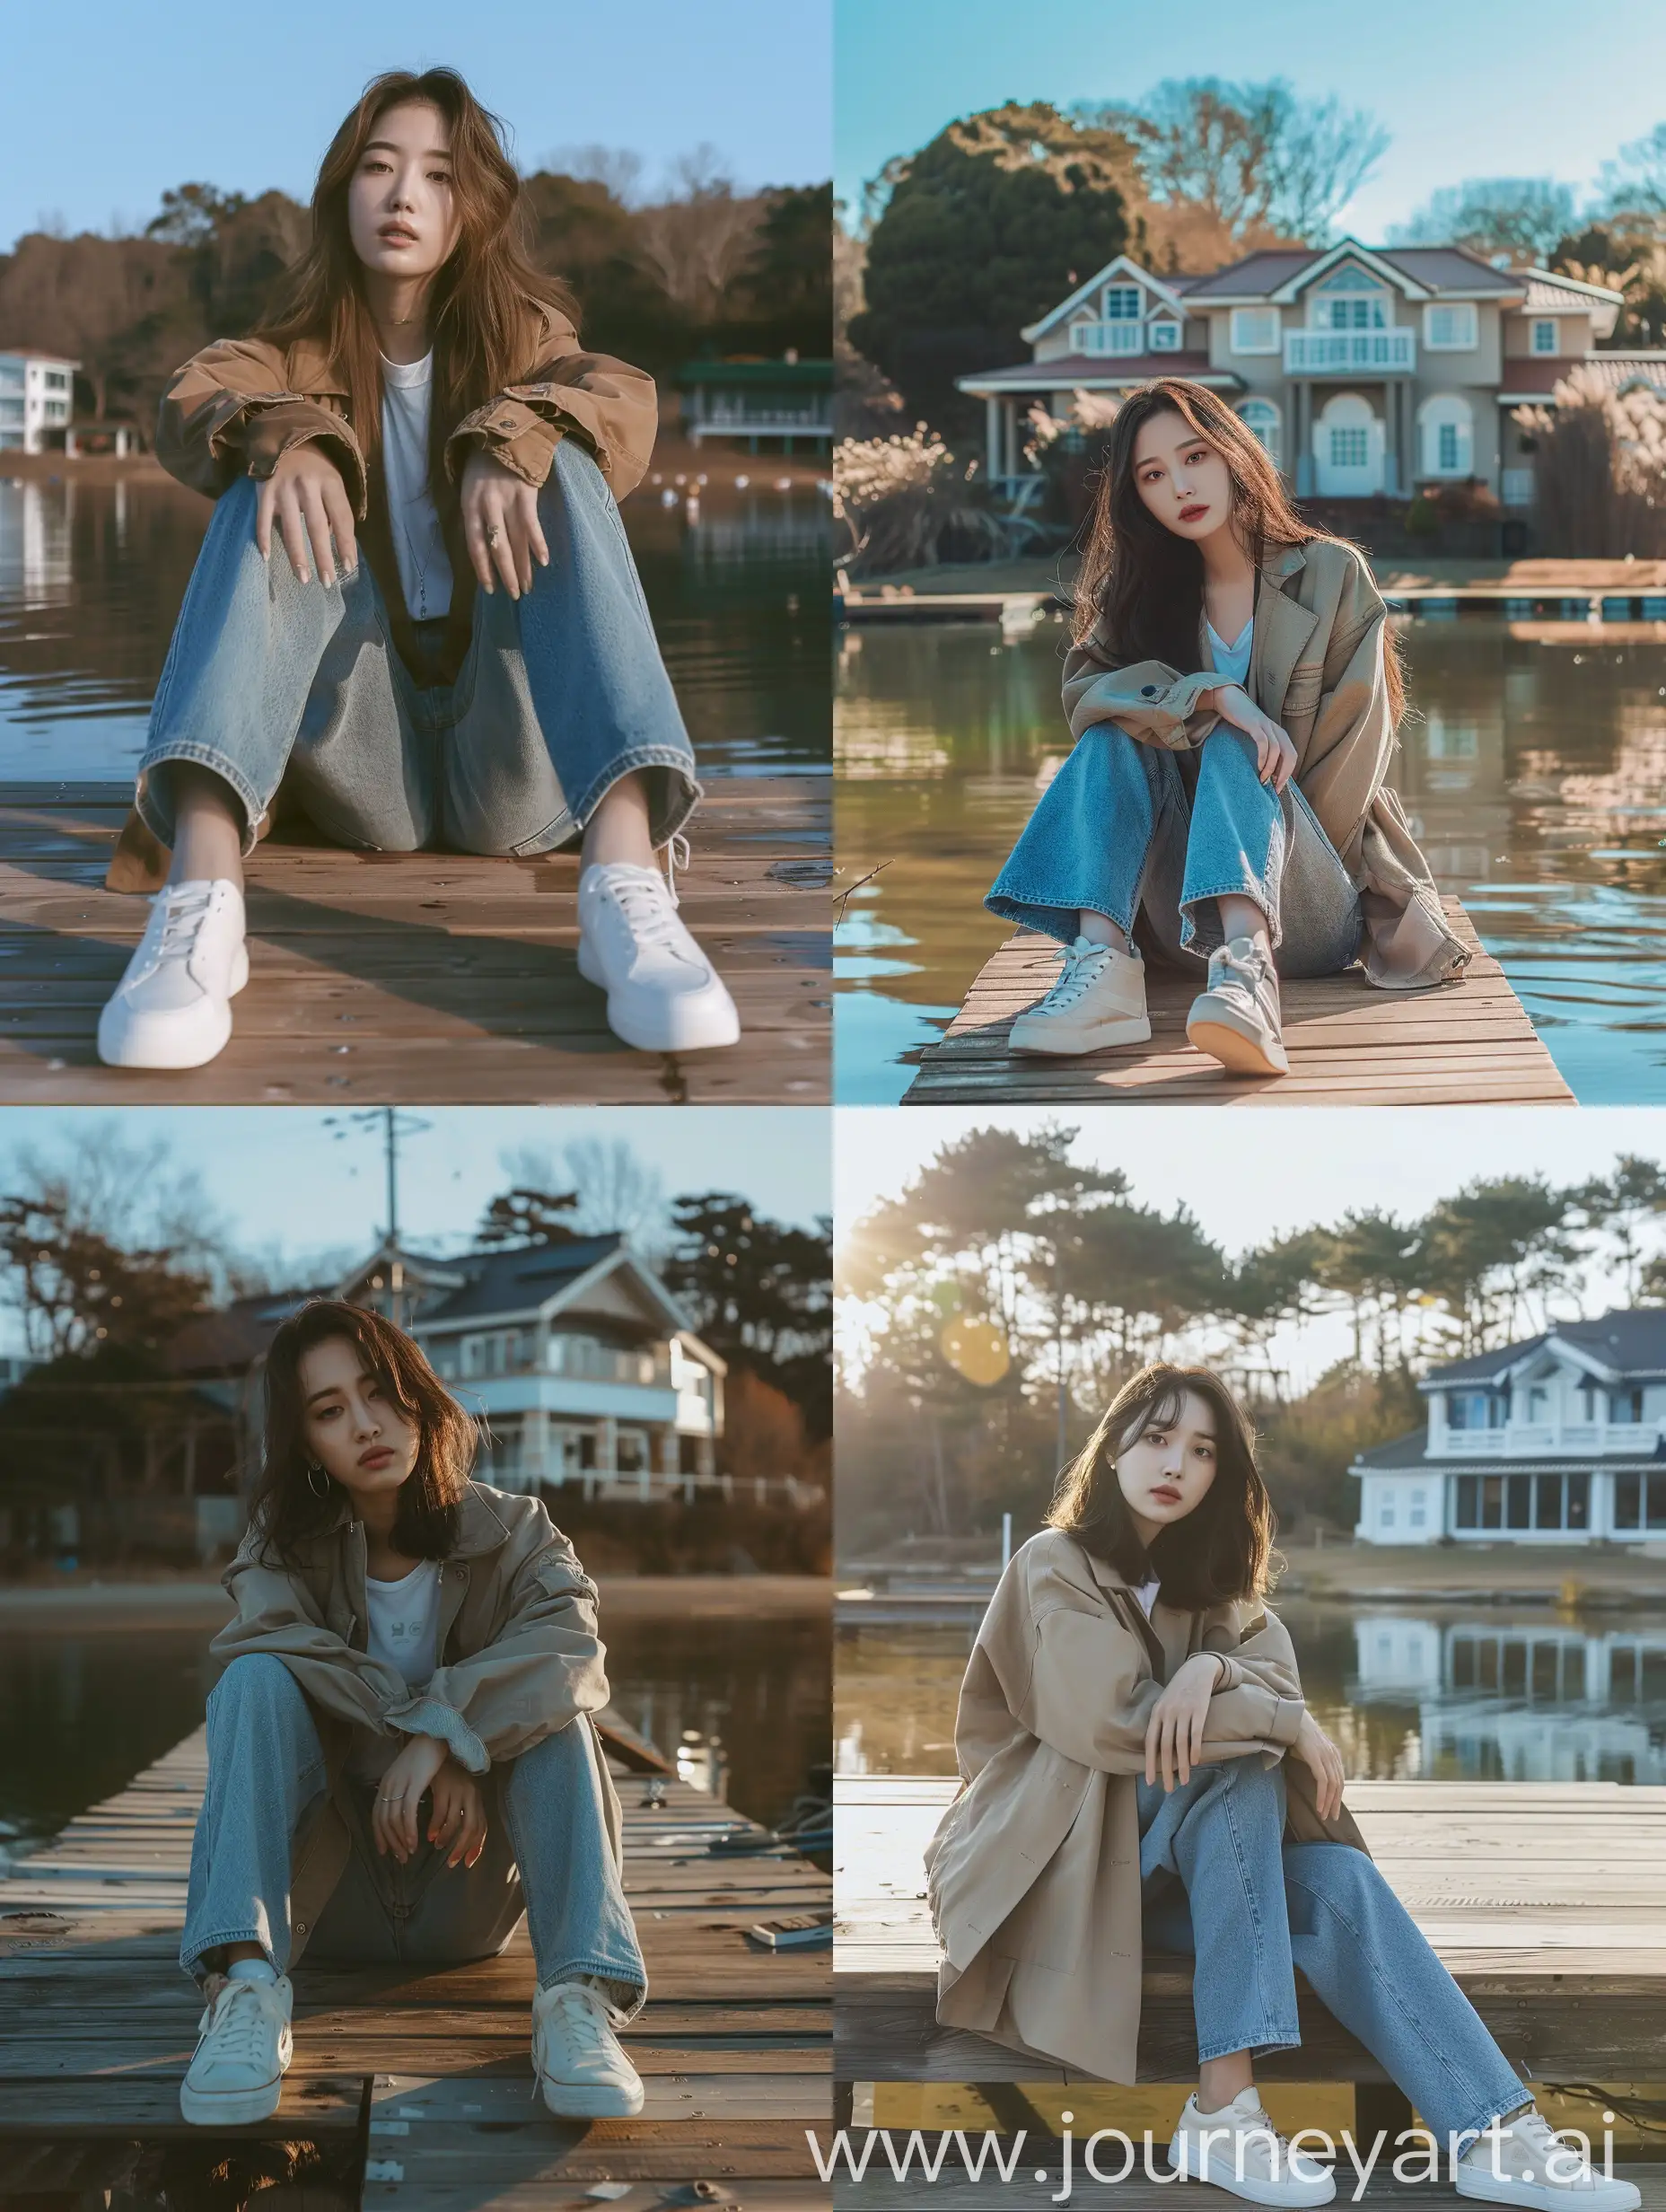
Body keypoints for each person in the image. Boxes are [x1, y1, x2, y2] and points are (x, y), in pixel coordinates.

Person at [97, 66, 738, 1073]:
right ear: (340, 191)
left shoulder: (526, 338)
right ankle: (201, 897)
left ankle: (624, 885)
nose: (403, 197)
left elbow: (622, 401)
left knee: (561, 454)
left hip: (512, 766)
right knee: (265, 475)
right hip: (366, 760)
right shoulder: (289, 349)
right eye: (379, 168)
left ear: (470, 209)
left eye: (437, 177)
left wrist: (510, 436)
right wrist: (291, 433)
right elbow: (195, 395)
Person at [925, 1364, 1638, 2209]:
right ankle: (1224, 2109)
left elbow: (1270, 1668)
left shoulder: (1213, 1592)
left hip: (1160, 1879)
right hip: (1048, 1865)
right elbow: (1115, 1722)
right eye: (1156, 1440)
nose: (1175, 1465)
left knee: (1341, 1883)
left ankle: (1491, 2133)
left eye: (1201, 1451)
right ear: (1112, 1447)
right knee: (1241, 1765)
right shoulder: (1053, 1564)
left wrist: (1216, 1669)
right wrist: (1283, 1722)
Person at [176, 1298, 647, 2128]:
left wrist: (450, 1738)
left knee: (560, 1714)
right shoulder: (276, 1549)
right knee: (254, 1679)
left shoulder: (519, 1531)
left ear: (419, 1396)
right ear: (306, 1441)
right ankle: (245, 1988)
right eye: (329, 1411)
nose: (365, 1424)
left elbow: (573, 1646)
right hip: (323, 1903)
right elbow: (276, 1640)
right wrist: (445, 1733)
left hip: (466, 1892)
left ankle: (578, 1998)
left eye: (379, 1392)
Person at [986, 379, 1467, 1077]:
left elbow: (1349, 776)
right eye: (1153, 475)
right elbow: (1086, 695)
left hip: (1305, 903)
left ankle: (1247, 975)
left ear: (1233, 453)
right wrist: (1210, 698)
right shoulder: (1137, 597)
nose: (1180, 485)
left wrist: (1234, 732)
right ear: (1137, 496)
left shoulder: (1332, 576)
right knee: (1114, 732)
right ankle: (1103, 968)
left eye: (1194, 457)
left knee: (1242, 739)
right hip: (1171, 918)